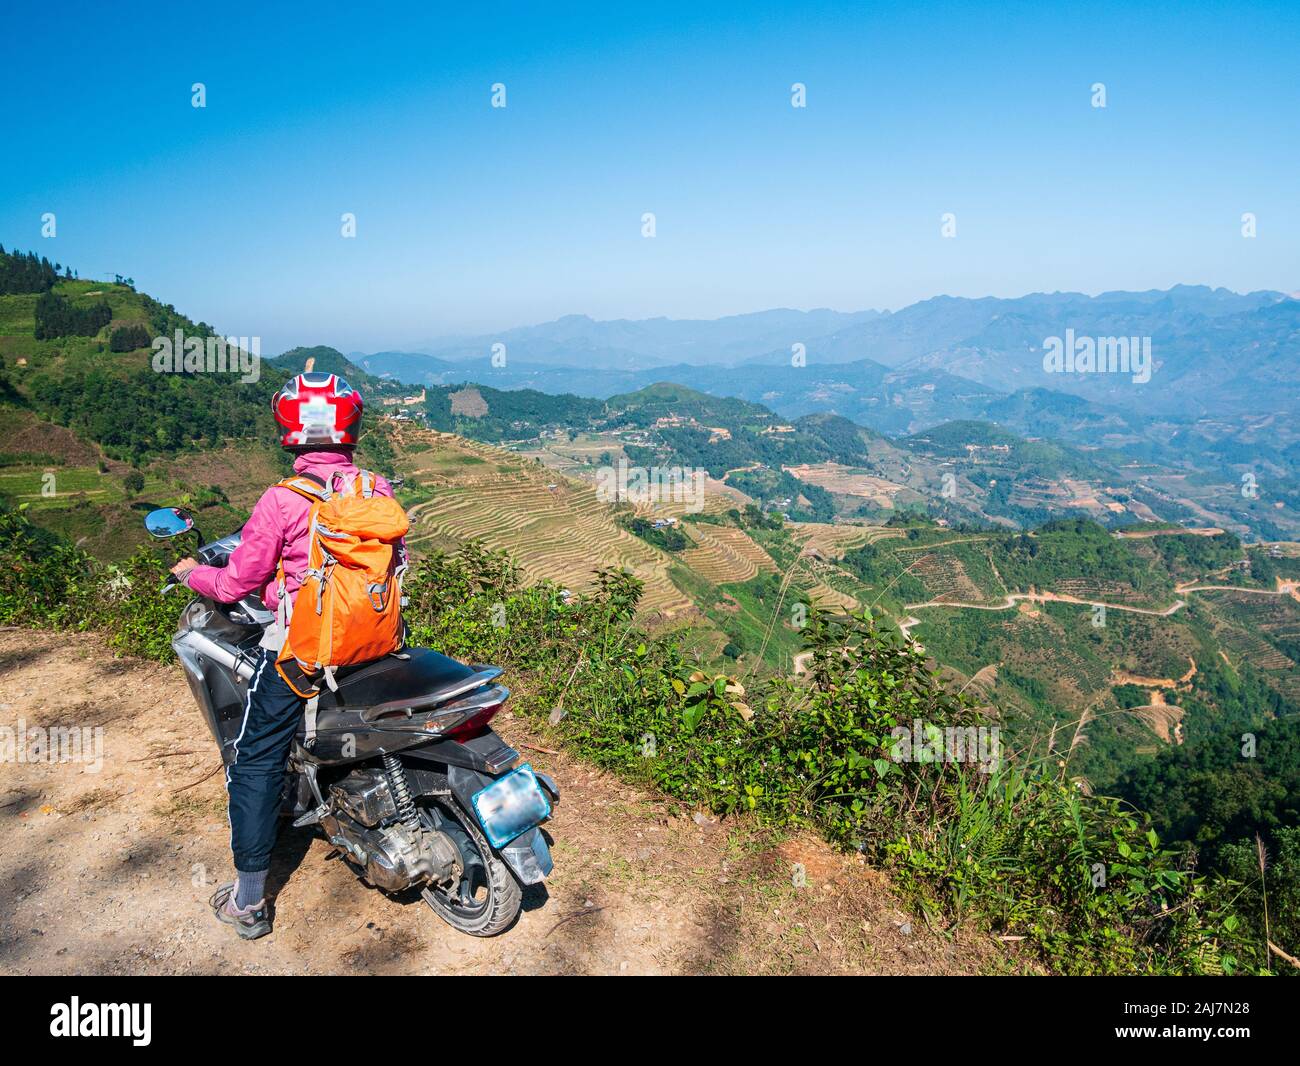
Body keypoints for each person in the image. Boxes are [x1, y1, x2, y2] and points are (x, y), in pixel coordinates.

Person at [170, 372, 399, 940]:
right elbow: (384, 567)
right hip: (376, 639)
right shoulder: (376, 489)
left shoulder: (283, 499)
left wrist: (191, 573)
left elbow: (232, 586)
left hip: (306, 653)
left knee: (254, 758)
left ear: (289, 430)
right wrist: (288, 592)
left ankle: (248, 902)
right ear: (350, 425)